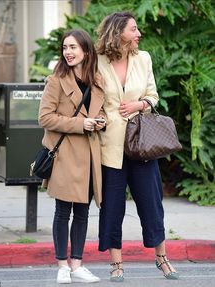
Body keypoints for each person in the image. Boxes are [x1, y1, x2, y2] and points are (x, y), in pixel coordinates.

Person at [95, 11, 179, 281]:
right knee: (112, 208)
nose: (138, 34)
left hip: (141, 144)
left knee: (151, 204)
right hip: (110, 146)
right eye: (133, 29)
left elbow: (153, 95)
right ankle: (116, 264)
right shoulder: (97, 63)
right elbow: (89, 99)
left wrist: (139, 104)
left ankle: (162, 258)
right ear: (118, 32)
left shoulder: (143, 59)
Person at [38, 29, 106, 284]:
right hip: (66, 155)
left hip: (89, 157)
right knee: (62, 211)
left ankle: (77, 265)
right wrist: (81, 124)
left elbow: (104, 112)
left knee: (83, 212)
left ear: (86, 51)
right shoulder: (56, 80)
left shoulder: (97, 80)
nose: (68, 52)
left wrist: (100, 122)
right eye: (65, 47)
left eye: (73, 47)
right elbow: (44, 118)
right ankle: (62, 266)